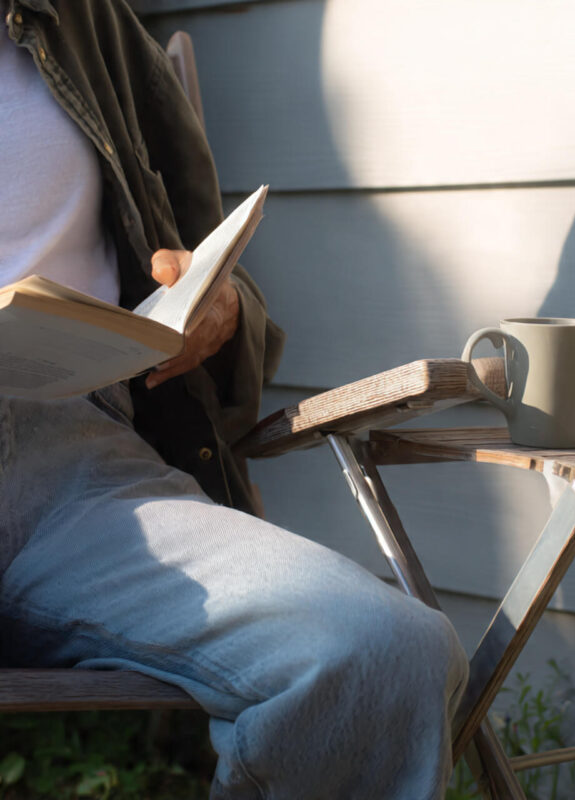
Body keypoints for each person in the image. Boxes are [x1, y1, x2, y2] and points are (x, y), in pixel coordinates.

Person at [0, 1, 469, 797]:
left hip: (81, 474)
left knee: (381, 656)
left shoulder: (86, 25)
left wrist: (216, 307)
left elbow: (198, 258)